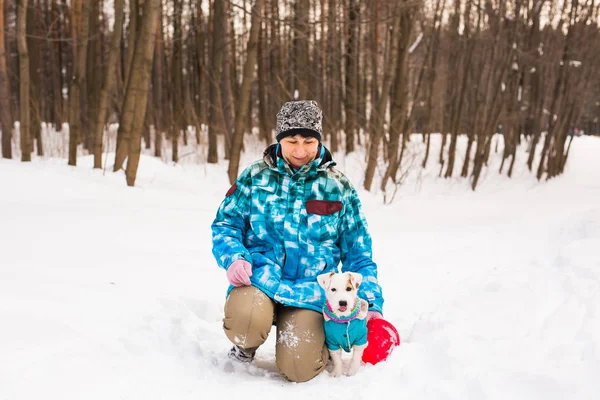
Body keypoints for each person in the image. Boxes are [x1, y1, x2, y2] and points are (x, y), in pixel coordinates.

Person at [211, 100, 384, 382]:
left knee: (299, 368)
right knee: (246, 322)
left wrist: (372, 303)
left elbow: (358, 253)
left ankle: (309, 340)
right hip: (260, 280)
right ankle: (246, 346)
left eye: (309, 141)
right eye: (292, 141)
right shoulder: (255, 176)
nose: (300, 151)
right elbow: (226, 224)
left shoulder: (338, 186)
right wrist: (234, 257)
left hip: (310, 293)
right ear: (279, 140)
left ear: (319, 140)